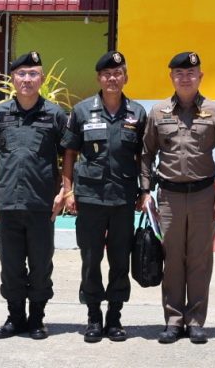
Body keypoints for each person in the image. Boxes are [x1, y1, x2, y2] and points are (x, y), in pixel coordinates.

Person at [139, 51, 215, 344]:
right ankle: (173, 320)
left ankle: (195, 321)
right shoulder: (158, 112)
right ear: (171, 77)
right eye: (179, 73)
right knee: (172, 259)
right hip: (169, 197)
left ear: (200, 76)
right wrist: (145, 191)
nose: (185, 78)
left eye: (191, 73)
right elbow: (146, 154)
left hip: (204, 195)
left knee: (200, 259)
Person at [60, 50, 147, 343]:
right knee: (91, 258)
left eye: (118, 73)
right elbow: (70, 153)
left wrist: (145, 190)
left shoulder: (137, 113)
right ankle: (94, 316)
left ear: (126, 78)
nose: (112, 78)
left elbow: (142, 157)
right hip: (90, 198)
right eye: (107, 74)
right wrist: (68, 190)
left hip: (123, 198)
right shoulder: (82, 111)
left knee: (120, 259)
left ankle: (115, 317)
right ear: (99, 78)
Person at [0, 51, 68, 340]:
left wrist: (64, 191)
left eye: (33, 74)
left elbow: (68, 154)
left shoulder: (55, 114)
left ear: (41, 79)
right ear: (13, 79)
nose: (27, 79)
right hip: (8, 201)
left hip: (42, 203)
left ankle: (37, 319)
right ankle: (15, 317)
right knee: (11, 264)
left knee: (41, 265)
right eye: (21, 74)